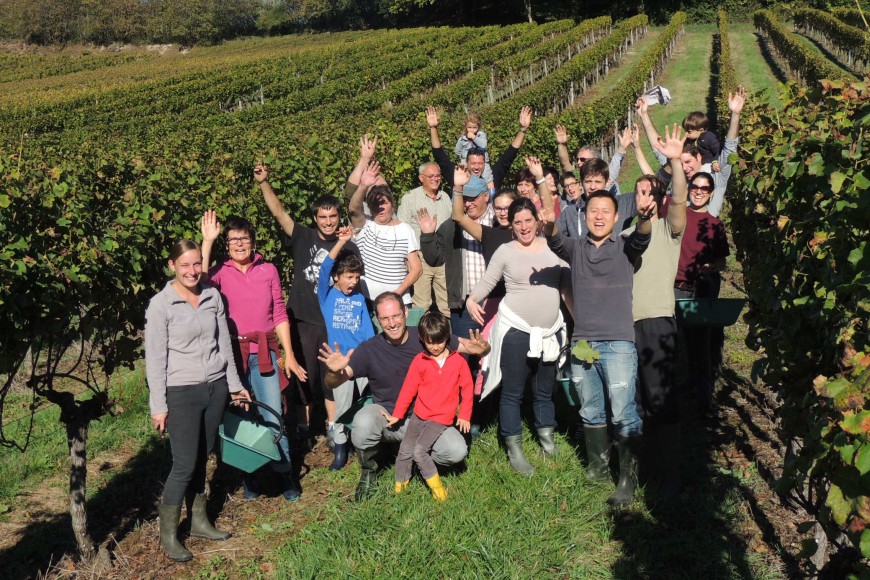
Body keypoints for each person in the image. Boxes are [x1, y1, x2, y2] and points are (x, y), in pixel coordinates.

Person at [318, 292, 490, 501]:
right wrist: (335, 372)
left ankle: (418, 460)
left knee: (456, 451)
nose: (391, 323)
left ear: (406, 313)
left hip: (428, 418)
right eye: (385, 318)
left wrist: (483, 349)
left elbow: (472, 348)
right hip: (388, 417)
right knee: (362, 421)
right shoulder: (369, 349)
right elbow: (332, 382)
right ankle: (369, 472)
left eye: (396, 316)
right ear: (377, 319)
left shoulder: (425, 336)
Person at [544, 186, 655, 506]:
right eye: (594, 211)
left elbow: (642, 239)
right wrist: (548, 222)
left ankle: (627, 480)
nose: (599, 216)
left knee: (623, 411)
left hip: (618, 343)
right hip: (582, 344)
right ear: (585, 214)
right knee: (590, 409)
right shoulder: (576, 248)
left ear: (617, 217)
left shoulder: (624, 247)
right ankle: (597, 469)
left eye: (606, 211)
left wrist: (645, 219)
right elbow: (554, 240)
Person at [145, 239, 251, 562]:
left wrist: (233, 385)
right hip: (181, 393)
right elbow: (155, 359)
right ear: (171, 266)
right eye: (184, 265)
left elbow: (224, 349)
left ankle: (200, 521)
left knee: (203, 458)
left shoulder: (211, 297)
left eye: (196, 264)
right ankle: (169, 535)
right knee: (183, 464)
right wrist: (158, 405)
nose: (192, 271)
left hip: (215, 389)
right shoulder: (161, 305)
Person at [200, 212, 303, 502]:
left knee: (273, 413)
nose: (239, 244)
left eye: (244, 238)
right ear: (227, 244)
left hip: (265, 353)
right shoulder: (220, 272)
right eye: (233, 239)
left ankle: (285, 475)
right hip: (234, 356)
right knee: (241, 417)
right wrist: (207, 242)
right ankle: (251, 476)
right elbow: (201, 283)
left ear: (252, 240)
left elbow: (279, 312)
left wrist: (289, 354)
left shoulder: (267, 269)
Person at [258, 161, 359, 449]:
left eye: (333, 216)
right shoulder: (303, 236)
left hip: (331, 320)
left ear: (339, 217)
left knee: (330, 373)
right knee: (302, 372)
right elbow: (278, 212)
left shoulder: (348, 246)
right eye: (323, 217)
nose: (328, 221)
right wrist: (264, 182)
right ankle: (302, 427)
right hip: (302, 317)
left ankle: (332, 426)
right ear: (315, 218)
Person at [467, 197, 572, 474]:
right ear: (511, 226)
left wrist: (579, 320)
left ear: (537, 221)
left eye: (528, 220)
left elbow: (565, 290)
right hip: (516, 330)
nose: (524, 227)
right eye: (518, 223)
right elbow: (487, 282)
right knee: (512, 392)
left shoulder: (553, 248)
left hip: (549, 333)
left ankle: (547, 440)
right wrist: (472, 299)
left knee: (544, 391)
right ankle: (514, 448)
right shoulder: (505, 251)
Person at [620, 125, 689, 498]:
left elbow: (679, 199)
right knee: (634, 401)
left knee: (660, 397)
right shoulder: (627, 232)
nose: (644, 196)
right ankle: (639, 470)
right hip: (623, 325)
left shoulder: (669, 228)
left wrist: (676, 161)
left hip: (655, 321)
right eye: (639, 191)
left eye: (650, 192)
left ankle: (671, 474)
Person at [384, 311, 473, 501]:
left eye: (439, 342)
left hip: (441, 418)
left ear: (447, 337)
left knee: (419, 451)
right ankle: (400, 487)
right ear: (422, 339)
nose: (434, 347)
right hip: (419, 414)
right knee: (405, 450)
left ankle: (438, 489)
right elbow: (408, 389)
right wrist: (398, 415)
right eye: (429, 342)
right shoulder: (420, 361)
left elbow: (467, 389)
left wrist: (464, 414)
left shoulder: (458, 361)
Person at [635, 85, 746, 217]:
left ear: (699, 157)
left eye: (688, 162)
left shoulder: (716, 174)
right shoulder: (680, 175)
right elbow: (658, 148)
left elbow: (729, 148)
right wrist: (644, 115)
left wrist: (735, 114)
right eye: (681, 164)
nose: (685, 168)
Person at [316, 225, 375, 470]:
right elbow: (324, 268)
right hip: (338, 361)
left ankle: (364, 445)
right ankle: (340, 448)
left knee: (364, 403)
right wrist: (341, 241)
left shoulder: (360, 299)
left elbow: (367, 332)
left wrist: (370, 356)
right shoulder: (327, 294)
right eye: (349, 277)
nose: (353, 282)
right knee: (341, 405)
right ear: (337, 277)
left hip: (359, 360)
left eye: (357, 277)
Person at [674, 171, 730, 410]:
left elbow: (722, 262)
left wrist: (711, 267)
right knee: (675, 342)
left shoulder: (715, 225)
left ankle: (703, 398)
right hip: (676, 287)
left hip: (701, 289)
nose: (698, 191)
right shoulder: (677, 217)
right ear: (688, 189)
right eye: (695, 187)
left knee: (701, 343)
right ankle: (676, 392)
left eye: (704, 188)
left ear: (711, 193)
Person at [349, 161, 422, 306]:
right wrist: (363, 185)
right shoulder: (365, 224)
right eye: (375, 204)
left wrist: (396, 294)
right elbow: (353, 208)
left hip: (397, 300)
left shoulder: (405, 229)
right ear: (369, 206)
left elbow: (417, 269)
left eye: (384, 202)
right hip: (367, 300)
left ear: (392, 204)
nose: (380, 207)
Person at [427, 105, 532, 190]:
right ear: (466, 163)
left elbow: (510, 154)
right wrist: (433, 127)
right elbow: (439, 155)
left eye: (480, 163)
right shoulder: (458, 177)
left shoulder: (492, 175)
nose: (476, 167)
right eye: (473, 163)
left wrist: (523, 129)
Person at [397, 161, 452, 316]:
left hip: (443, 257)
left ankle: (448, 335)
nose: (435, 178)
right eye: (431, 176)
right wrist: (410, 257)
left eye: (438, 175)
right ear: (421, 178)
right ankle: (419, 336)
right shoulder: (410, 198)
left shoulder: (445, 197)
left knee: (446, 303)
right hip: (420, 257)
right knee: (421, 303)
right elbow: (402, 228)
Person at [555, 157, 637, 240]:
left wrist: (637, 149)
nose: (593, 187)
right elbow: (553, 239)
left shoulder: (624, 204)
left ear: (607, 182)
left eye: (598, 182)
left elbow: (648, 192)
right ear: (581, 183)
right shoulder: (570, 213)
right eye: (588, 182)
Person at [453, 111, 494, 188]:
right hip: (466, 160)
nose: (472, 130)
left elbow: (483, 145)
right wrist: (463, 158)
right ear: (466, 126)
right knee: (464, 175)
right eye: (469, 127)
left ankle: (491, 194)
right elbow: (457, 151)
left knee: (488, 176)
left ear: (478, 127)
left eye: (474, 127)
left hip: (482, 161)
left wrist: (474, 137)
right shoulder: (462, 139)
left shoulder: (481, 135)